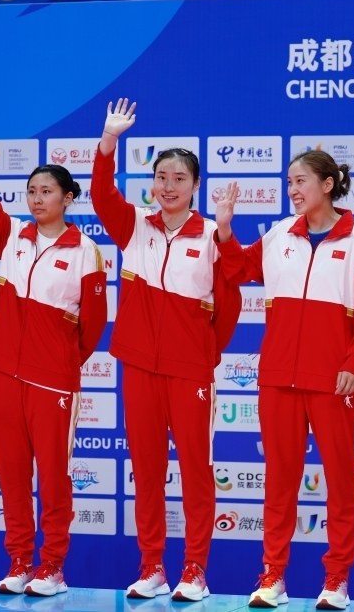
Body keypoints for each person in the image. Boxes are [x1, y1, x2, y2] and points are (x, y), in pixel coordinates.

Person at [0, 106, 107, 597]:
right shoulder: (12, 236)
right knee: (11, 474)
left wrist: (61, 362)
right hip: (4, 376)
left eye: (46, 191)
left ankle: (52, 566)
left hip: (53, 381)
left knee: (54, 479)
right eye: (31, 191)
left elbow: (93, 325)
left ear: (68, 198)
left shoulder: (85, 252)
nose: (36, 199)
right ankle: (19, 561)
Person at [214, 149, 354, 610]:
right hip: (278, 378)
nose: (292, 189)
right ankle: (273, 576)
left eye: (301, 180)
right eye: (289, 181)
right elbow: (236, 270)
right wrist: (225, 229)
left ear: (327, 185)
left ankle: (337, 580)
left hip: (335, 381)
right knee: (279, 482)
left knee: (342, 482)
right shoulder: (278, 234)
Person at [91, 99, 242, 602]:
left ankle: (194, 570)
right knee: (148, 470)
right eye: (161, 177)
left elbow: (230, 306)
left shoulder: (213, 238)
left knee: (196, 470)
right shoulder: (133, 226)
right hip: (138, 367)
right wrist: (109, 142)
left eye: (179, 178)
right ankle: (152, 566)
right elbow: (99, 194)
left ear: (193, 186)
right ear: (152, 184)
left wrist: (201, 352)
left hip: (190, 371)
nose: (169, 186)